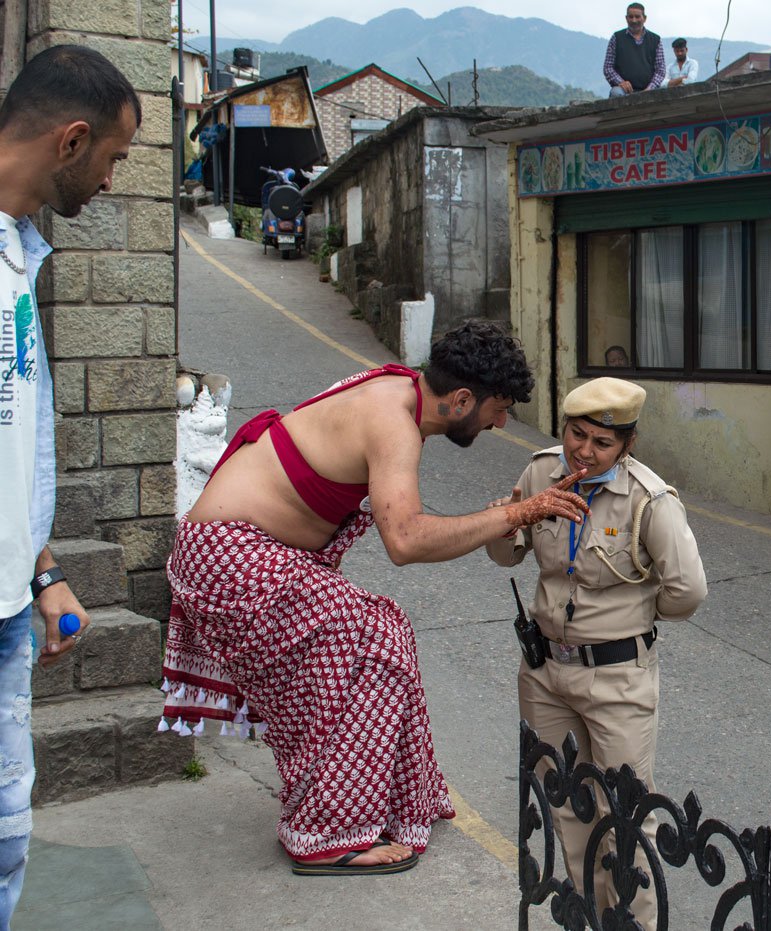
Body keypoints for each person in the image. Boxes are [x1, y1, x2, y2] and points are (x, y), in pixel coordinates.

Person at [161, 320, 590, 875]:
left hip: (235, 553)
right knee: (375, 642)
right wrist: (518, 513)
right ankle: (324, 833)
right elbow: (406, 540)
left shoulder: (397, 387)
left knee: (385, 630)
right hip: (229, 558)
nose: (501, 423)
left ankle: (395, 798)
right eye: (498, 409)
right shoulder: (395, 424)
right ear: (462, 399)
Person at [487, 377, 707, 928]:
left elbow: (688, 591)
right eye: (575, 433)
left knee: (627, 823)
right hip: (545, 673)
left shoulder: (649, 500)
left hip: (616, 680)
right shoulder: (541, 471)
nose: (583, 451)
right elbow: (509, 552)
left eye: (601, 442)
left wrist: (630, 617)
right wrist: (501, 521)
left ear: (627, 445)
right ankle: (588, 916)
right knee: (568, 812)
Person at [0, 44, 136, 921]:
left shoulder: (20, 253)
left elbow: (15, 440)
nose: (114, 181)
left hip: (11, 607)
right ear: (72, 139)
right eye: (116, 159)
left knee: (7, 836)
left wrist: (42, 570)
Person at [604, 3, 666, 98]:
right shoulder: (616, 38)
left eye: (637, 17)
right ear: (626, 18)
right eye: (631, 17)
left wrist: (650, 88)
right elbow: (608, 68)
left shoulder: (656, 40)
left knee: (665, 93)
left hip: (650, 89)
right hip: (623, 90)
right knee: (616, 93)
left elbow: (660, 70)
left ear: (644, 18)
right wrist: (621, 82)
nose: (634, 20)